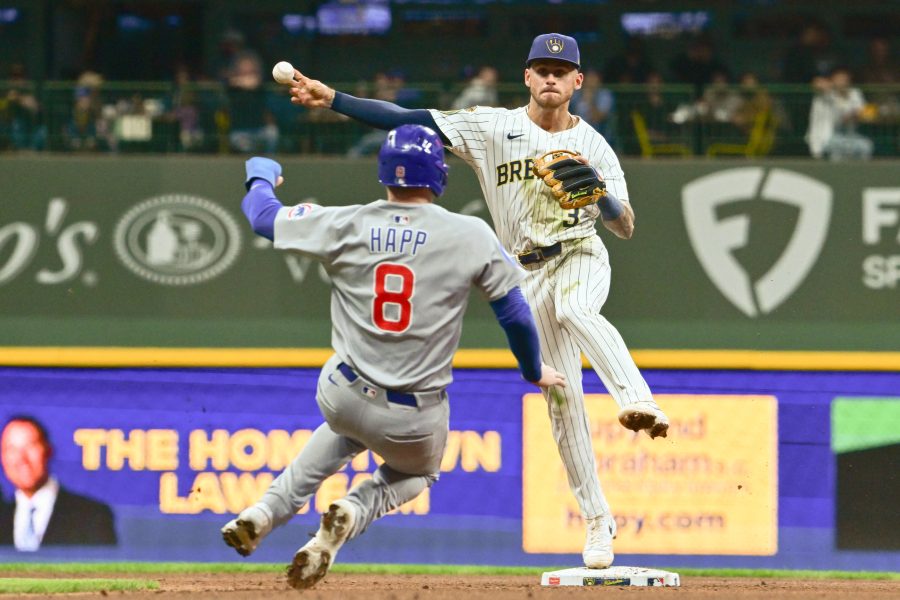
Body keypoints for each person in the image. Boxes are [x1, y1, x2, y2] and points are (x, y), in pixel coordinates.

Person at [283, 32, 670, 569]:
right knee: (562, 403)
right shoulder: (491, 127)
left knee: (576, 309)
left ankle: (639, 400)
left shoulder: (594, 145)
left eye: (562, 71)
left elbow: (624, 225)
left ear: (578, 81)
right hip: (527, 271)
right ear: (527, 77)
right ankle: (598, 521)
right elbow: (407, 117)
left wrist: (600, 195)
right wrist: (333, 99)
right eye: (542, 69)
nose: (551, 77)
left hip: (579, 253)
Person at [221, 125, 565, 589]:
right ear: (439, 175)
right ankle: (355, 508)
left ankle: (264, 512)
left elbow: (263, 217)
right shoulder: (470, 234)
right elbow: (516, 314)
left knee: (343, 430)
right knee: (419, 473)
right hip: (412, 416)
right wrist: (532, 369)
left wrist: (261, 173)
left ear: (384, 172)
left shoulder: (345, 222)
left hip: (342, 392)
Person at [0, 416, 117, 550]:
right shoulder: (3, 516)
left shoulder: (92, 515)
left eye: (30, 446)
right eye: (11, 449)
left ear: (48, 450)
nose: (22, 459)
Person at [806, 67, 874, 161]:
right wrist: (832, 86)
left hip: (849, 136)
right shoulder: (825, 93)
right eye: (839, 79)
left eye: (845, 80)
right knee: (839, 151)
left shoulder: (855, 93)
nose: (843, 82)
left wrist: (856, 116)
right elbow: (817, 83)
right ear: (832, 80)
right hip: (826, 138)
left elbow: (865, 114)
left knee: (866, 146)